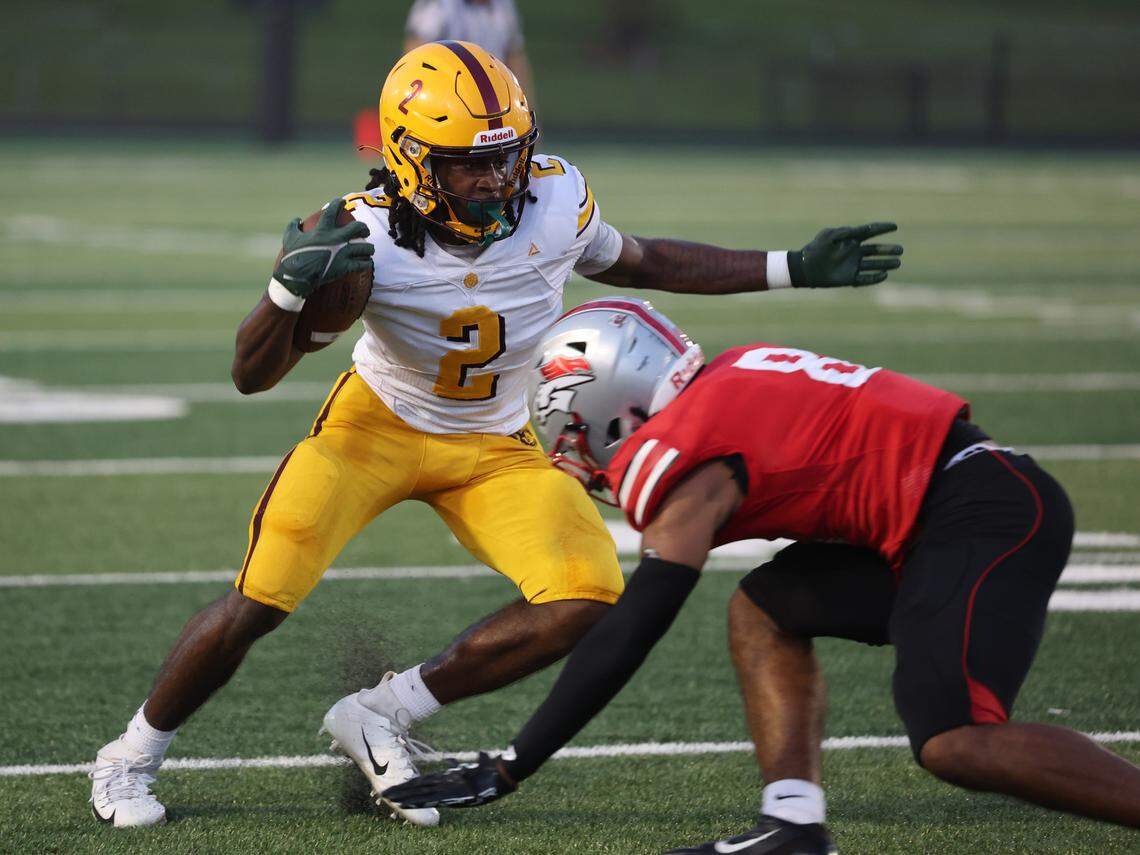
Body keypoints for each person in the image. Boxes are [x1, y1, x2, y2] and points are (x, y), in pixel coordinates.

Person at [88, 41, 903, 829]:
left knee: (587, 594)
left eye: (506, 156)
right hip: (375, 429)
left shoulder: (552, 201)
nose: (494, 178)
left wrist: (787, 265)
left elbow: (642, 261)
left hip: (500, 443)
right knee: (259, 599)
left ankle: (380, 713)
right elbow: (251, 374)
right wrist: (283, 296)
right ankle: (130, 753)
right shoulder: (356, 236)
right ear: (410, 159)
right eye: (468, 163)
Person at [384, 297, 1140, 851]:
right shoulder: (731, 372)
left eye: (574, 429)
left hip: (975, 512)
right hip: (950, 504)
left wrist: (518, 761)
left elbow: (636, 625)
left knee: (955, 740)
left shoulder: (675, 448)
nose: (576, 452)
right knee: (766, 607)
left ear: (617, 402)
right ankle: (793, 824)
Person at [404, 0, 535, 103]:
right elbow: (416, 52)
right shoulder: (440, 4)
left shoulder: (503, 4)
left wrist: (526, 106)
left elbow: (514, 56)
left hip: (496, 97)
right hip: (452, 98)